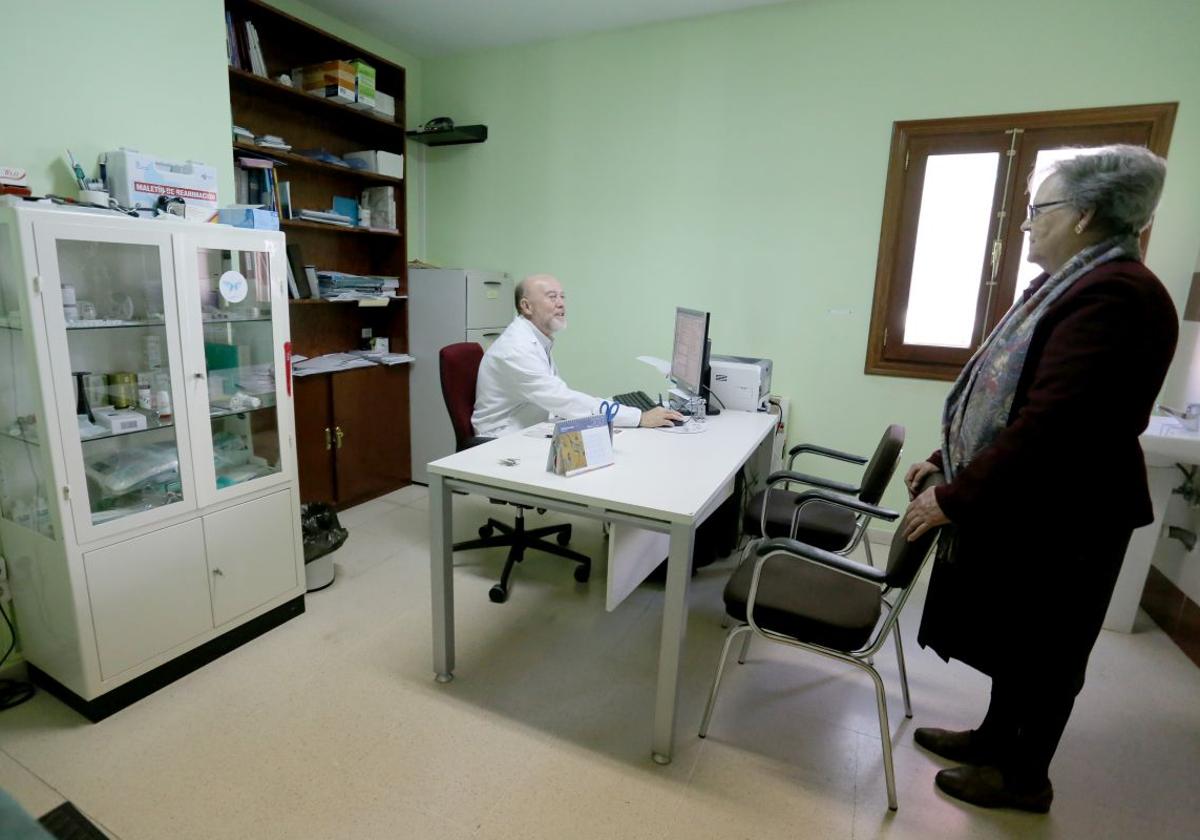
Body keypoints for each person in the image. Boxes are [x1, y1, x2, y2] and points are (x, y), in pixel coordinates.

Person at [901, 145, 1177, 813]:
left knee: (1047, 652)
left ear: (1084, 216)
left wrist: (955, 499)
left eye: (1038, 210)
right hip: (1038, 507)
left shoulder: (1116, 296)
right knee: (1018, 638)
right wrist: (948, 458)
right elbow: (1009, 398)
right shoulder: (1074, 283)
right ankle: (995, 738)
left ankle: (1024, 778)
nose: (1024, 224)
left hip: (1071, 515)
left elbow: (1053, 423)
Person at [472, 273, 683, 436]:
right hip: (502, 438)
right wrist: (638, 417)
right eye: (551, 297)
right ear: (526, 306)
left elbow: (559, 398)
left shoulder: (536, 339)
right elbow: (563, 400)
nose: (561, 303)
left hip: (529, 425)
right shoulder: (517, 348)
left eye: (562, 296)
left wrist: (610, 409)